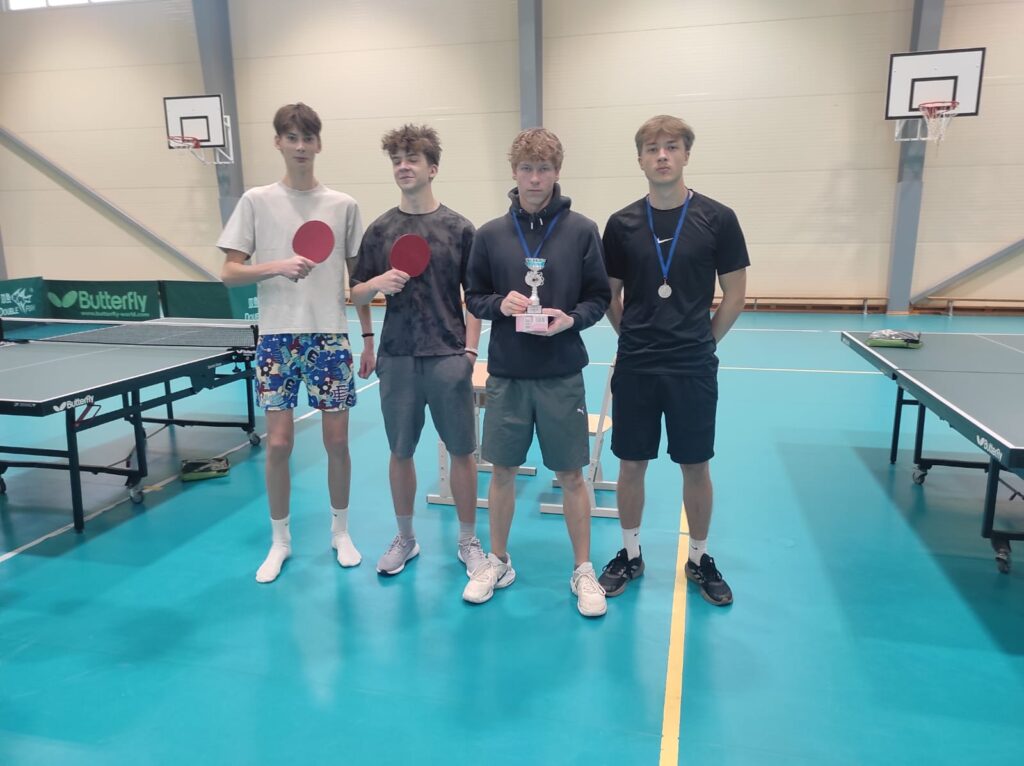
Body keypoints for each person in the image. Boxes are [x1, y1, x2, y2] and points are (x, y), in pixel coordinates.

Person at [219, 102, 375, 583]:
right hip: (276, 338)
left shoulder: (343, 206)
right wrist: (277, 266)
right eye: (292, 137)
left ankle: (340, 532)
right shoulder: (256, 201)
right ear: (278, 142)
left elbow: (358, 282)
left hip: (329, 335)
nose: (301, 146)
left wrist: (368, 338)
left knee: (338, 441)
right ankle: (280, 541)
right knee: (280, 444)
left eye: (308, 137)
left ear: (319, 143)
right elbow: (228, 272)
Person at [598, 115, 749, 606]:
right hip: (637, 365)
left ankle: (699, 557)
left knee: (695, 465)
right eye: (651, 148)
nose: (661, 155)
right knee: (631, 464)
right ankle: (630, 553)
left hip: (692, 366)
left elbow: (735, 294)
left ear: (686, 154)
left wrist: (704, 341)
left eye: (671, 147)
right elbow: (609, 296)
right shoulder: (621, 224)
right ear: (640, 159)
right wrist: (632, 337)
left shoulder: (718, 218)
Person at [463, 128, 611, 618]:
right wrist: (498, 305)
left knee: (571, 474)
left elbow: (599, 297)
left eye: (543, 168)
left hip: (561, 372)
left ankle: (583, 568)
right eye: (526, 168)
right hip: (507, 373)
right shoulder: (490, 234)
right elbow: (474, 296)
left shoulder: (582, 230)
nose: (534, 178)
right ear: (514, 171)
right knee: (502, 470)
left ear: (556, 172)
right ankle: (499, 561)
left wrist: (572, 319)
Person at [349, 124, 484, 578]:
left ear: (433, 168)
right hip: (398, 357)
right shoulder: (380, 230)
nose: (403, 166)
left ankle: (468, 541)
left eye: (412, 159)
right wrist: (376, 283)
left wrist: (469, 352)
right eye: (397, 160)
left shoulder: (459, 228)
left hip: (447, 356)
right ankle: (405, 539)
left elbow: (475, 296)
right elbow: (356, 293)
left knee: (463, 451)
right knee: (400, 451)